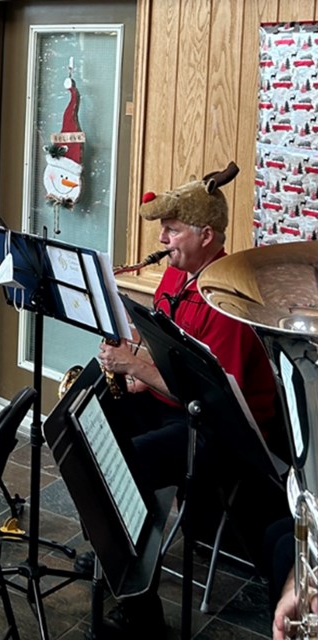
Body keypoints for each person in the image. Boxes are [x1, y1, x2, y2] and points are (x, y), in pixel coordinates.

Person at [94, 163, 284, 637]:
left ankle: (141, 608)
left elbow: (213, 397)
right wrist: (130, 349)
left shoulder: (230, 296)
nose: (163, 239)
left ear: (206, 234)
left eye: (172, 229)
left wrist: (137, 367)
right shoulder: (175, 276)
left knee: (127, 467)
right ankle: (117, 548)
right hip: (180, 406)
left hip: (227, 435)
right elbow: (165, 350)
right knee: (93, 431)